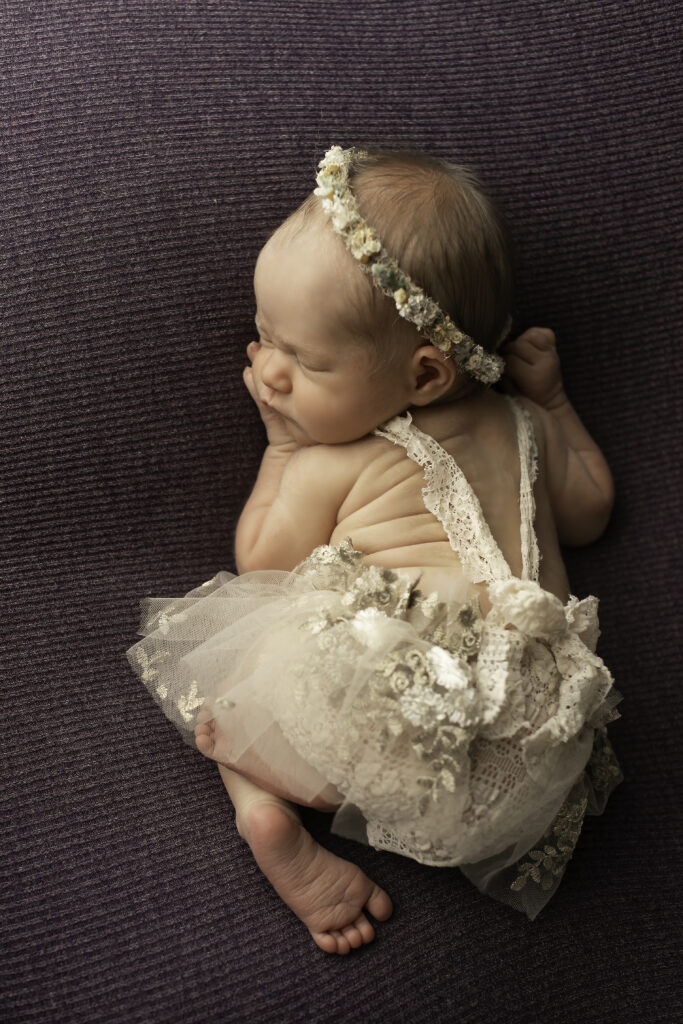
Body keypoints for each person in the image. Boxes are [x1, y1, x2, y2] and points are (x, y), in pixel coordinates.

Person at [128, 146, 622, 954]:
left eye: (305, 361)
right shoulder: (524, 426)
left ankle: (266, 809)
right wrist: (555, 401)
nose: (271, 373)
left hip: (382, 684)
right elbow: (592, 511)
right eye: (265, 337)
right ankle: (331, 793)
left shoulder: (341, 454)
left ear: (425, 376)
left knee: (228, 671)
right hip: (526, 745)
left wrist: (282, 448)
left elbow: (263, 562)